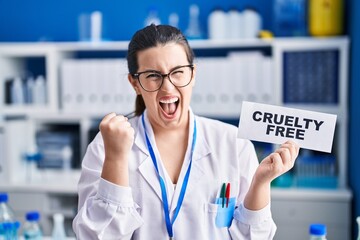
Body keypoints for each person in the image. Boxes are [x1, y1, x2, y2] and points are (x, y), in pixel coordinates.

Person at [72, 24, 299, 240]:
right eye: (153, 75)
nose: (168, 87)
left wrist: (261, 182)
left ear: (193, 74)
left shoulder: (234, 144)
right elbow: (94, 237)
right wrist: (117, 157)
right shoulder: (106, 145)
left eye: (178, 72)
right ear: (135, 84)